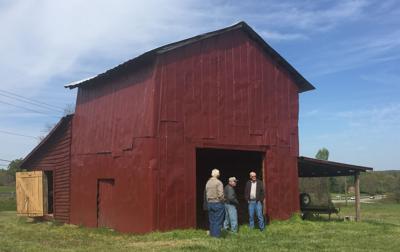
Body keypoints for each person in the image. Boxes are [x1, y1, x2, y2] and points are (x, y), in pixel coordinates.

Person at [205, 169, 225, 237]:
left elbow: (206, 193)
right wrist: (223, 200)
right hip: (217, 203)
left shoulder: (208, 182)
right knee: (218, 220)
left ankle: (212, 234)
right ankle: (216, 236)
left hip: (209, 203)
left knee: (212, 220)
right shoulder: (218, 182)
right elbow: (220, 195)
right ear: (218, 174)